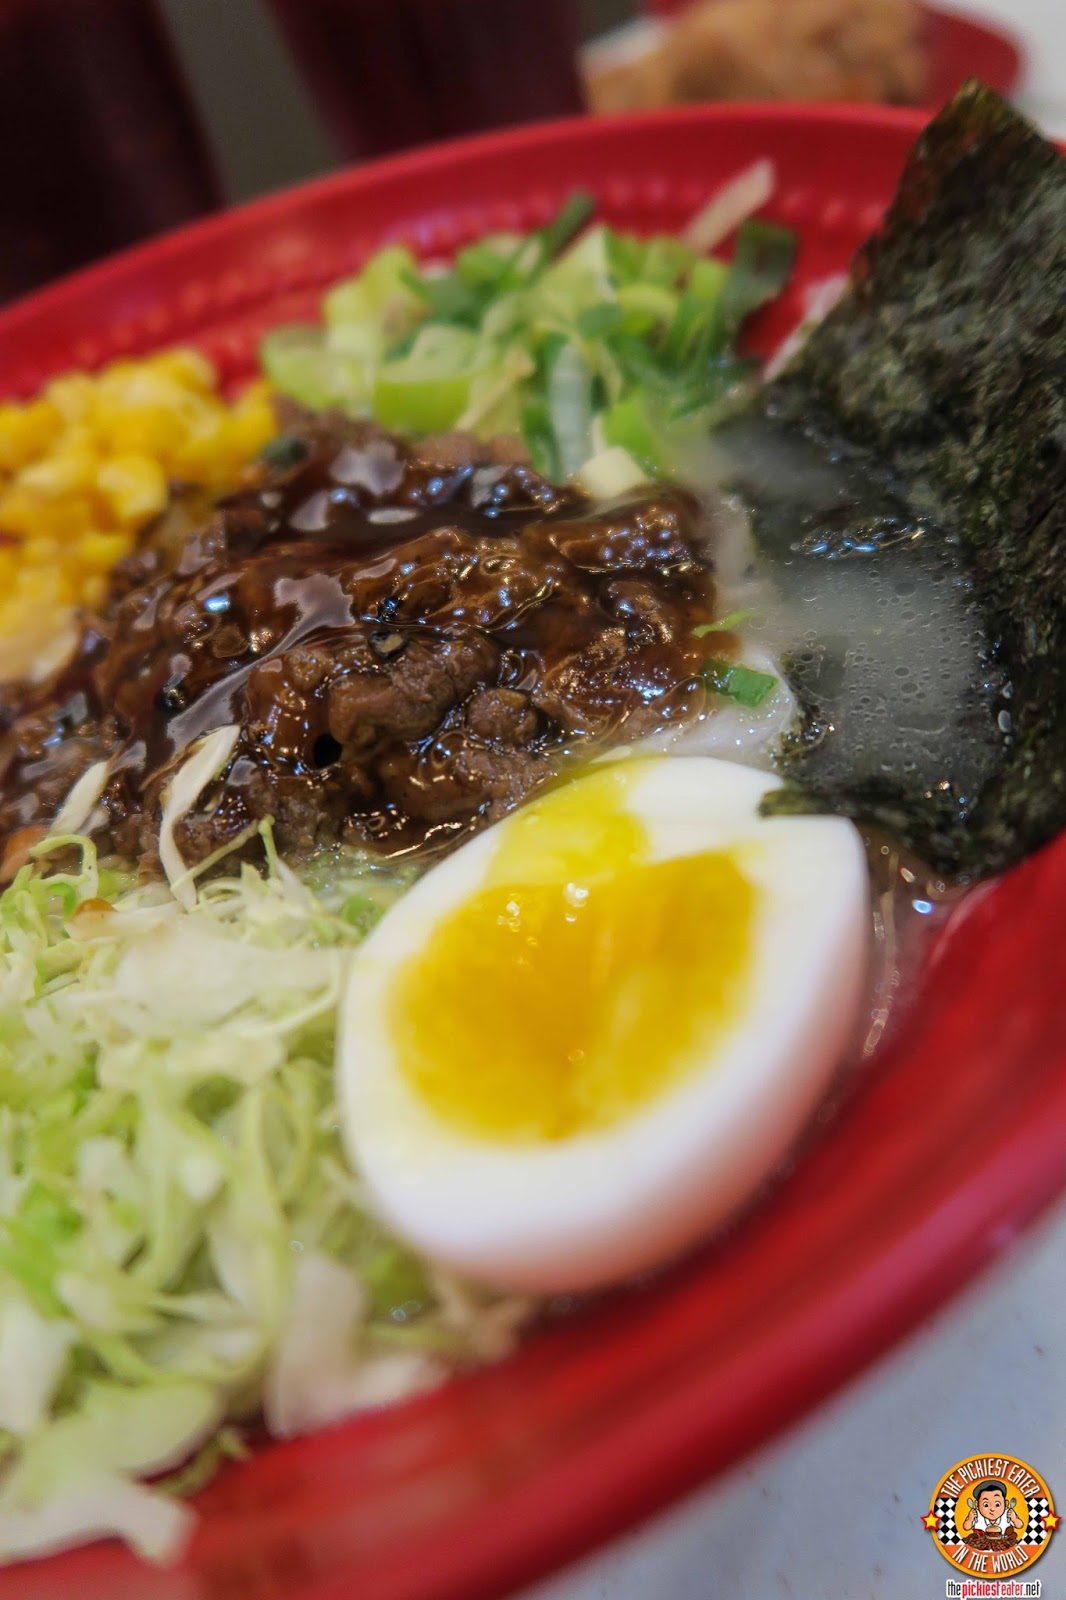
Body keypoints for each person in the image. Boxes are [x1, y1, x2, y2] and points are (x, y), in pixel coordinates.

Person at [962, 1480, 1025, 1553]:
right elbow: (966, 1527)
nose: (992, 1508)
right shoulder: (975, 1514)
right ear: (977, 1504)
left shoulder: (1008, 1513)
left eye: (997, 1504)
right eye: (986, 1505)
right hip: (980, 1545)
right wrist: (970, 1519)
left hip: (1004, 1545)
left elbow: (1020, 1526)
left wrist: (1014, 1519)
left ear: (1006, 1503)